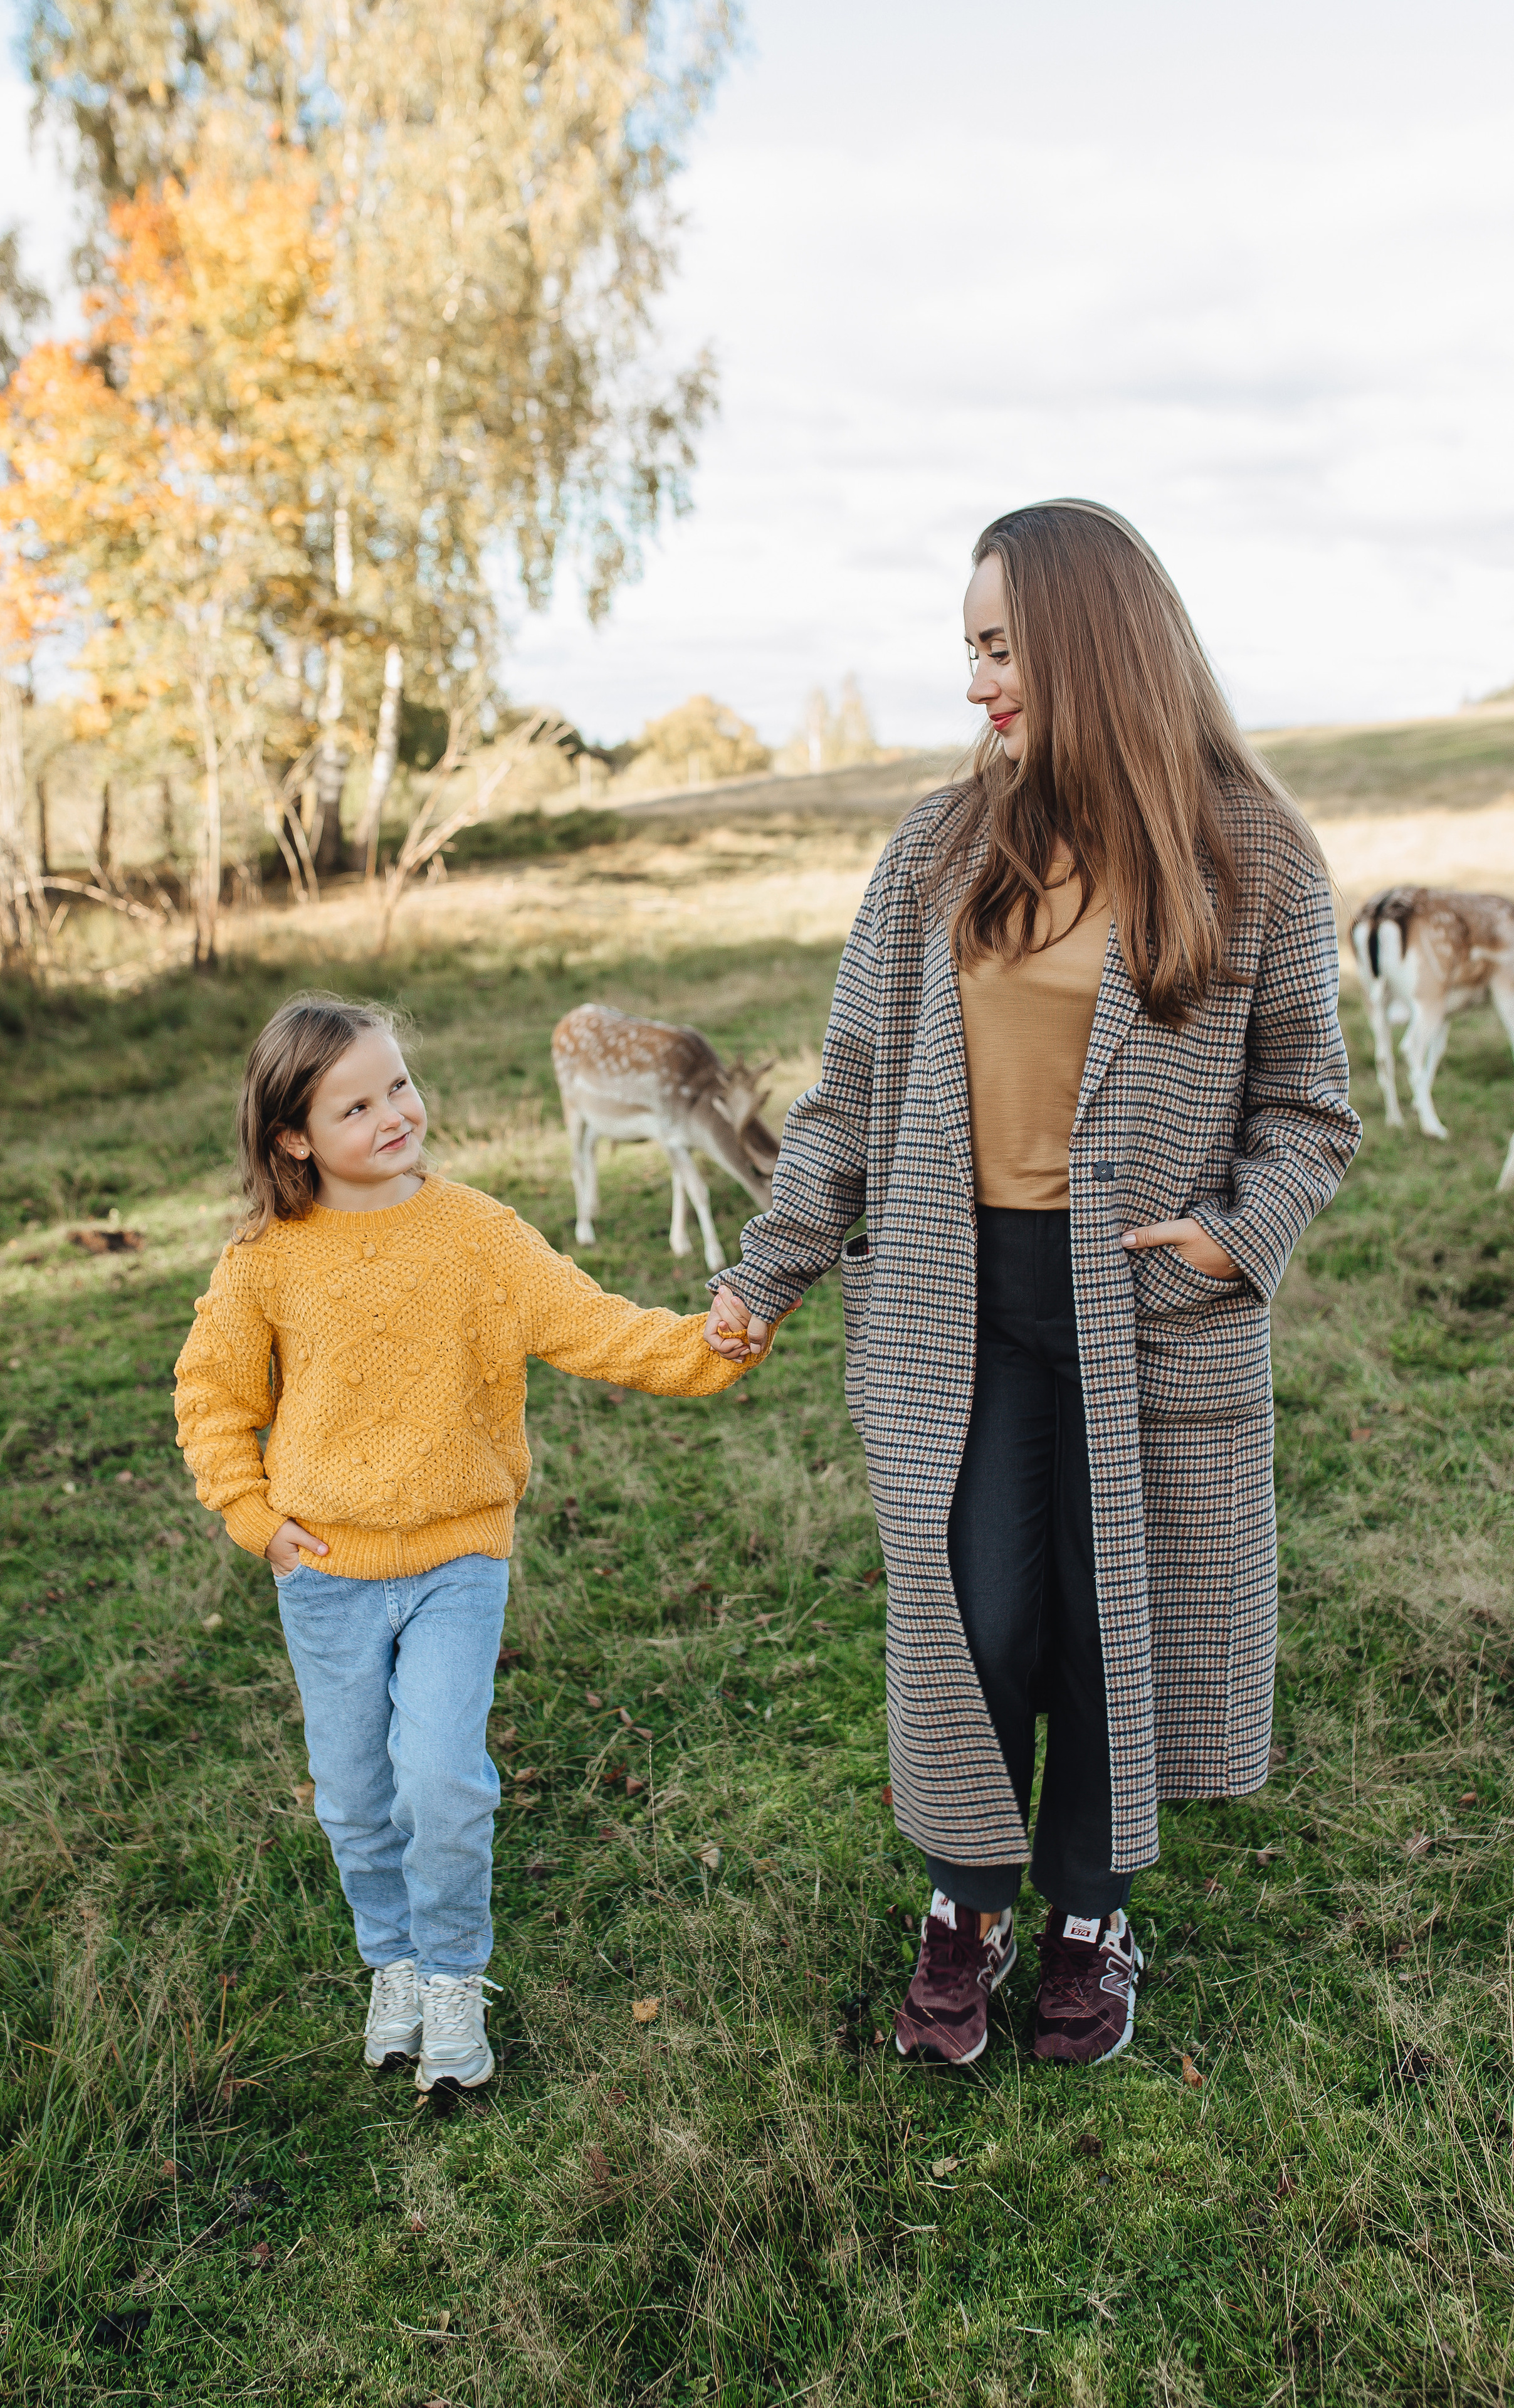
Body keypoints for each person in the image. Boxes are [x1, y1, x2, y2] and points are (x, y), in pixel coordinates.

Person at [704, 500, 1360, 2068]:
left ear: (1083, 641)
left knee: (1104, 1621)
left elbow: (1308, 1111)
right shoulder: (938, 844)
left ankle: (1086, 1916)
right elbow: (855, 1081)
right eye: (969, 650)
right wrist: (770, 1270)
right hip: (952, 1301)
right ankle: (963, 1902)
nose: (978, 682)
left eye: (997, 648)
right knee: (972, 1615)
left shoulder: (1248, 849)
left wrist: (1229, 1236)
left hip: (1143, 1308)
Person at [174, 991, 767, 2096]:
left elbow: (596, 1326)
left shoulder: (477, 1234)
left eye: (398, 1083)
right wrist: (254, 1517)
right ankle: (390, 1962)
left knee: (441, 1779)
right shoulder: (266, 1259)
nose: (394, 1113)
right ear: (293, 1136)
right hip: (326, 1574)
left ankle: (451, 1976)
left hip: (457, 1562)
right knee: (353, 1792)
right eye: (356, 1105)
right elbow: (212, 1396)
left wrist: (711, 1345)